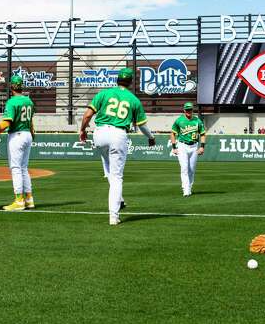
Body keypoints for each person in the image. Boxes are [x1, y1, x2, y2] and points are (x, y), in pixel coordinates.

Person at [79, 67, 155, 226]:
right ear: (130, 82)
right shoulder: (133, 99)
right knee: (117, 177)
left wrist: (82, 130)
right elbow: (142, 126)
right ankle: (114, 215)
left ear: (117, 80)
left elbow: (87, 115)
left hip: (99, 133)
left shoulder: (104, 93)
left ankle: (119, 199)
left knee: (108, 167)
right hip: (118, 134)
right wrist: (151, 137)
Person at [0, 74, 36, 211]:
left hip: (17, 135)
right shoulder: (29, 101)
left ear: (11, 87)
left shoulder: (11, 102)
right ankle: (29, 199)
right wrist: (32, 133)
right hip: (27, 134)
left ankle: (19, 201)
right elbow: (30, 120)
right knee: (24, 168)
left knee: (15, 169)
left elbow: (6, 122)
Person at [170, 102, 206, 197]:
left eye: (190, 109)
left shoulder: (197, 121)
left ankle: (189, 187)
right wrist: (174, 147)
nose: (189, 111)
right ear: (184, 110)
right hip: (182, 146)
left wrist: (202, 146)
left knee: (191, 169)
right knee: (184, 168)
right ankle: (185, 189)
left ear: (192, 110)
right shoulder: (179, 120)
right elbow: (173, 133)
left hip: (194, 146)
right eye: (187, 109)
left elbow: (202, 134)